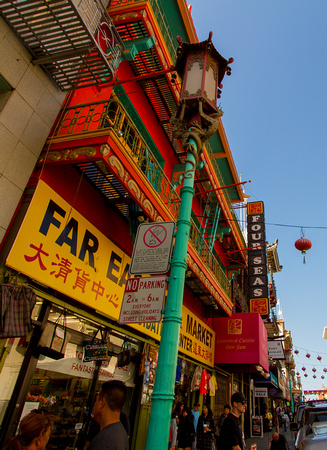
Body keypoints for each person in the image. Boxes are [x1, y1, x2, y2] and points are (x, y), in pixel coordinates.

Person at [87, 380, 129, 450]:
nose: (94, 405)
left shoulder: (103, 442)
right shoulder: (122, 434)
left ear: (102, 403)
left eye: (96, 400)